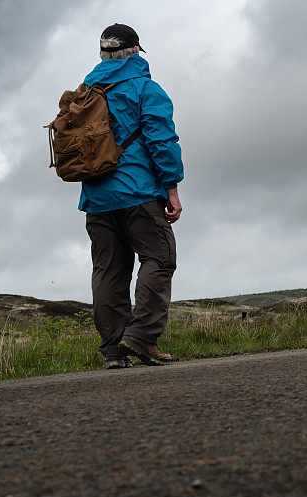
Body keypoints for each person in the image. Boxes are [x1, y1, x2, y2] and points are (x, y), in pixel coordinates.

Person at [80, 23, 184, 369]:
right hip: (138, 193)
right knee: (160, 257)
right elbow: (162, 142)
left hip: (96, 198)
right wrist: (171, 187)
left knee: (108, 270)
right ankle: (141, 335)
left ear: (102, 54)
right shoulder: (145, 89)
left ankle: (113, 349)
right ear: (136, 50)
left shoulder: (84, 92)